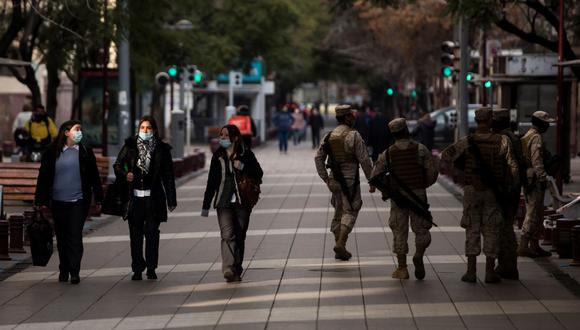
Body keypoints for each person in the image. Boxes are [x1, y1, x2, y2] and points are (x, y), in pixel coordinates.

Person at [440, 108, 518, 283]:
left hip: (471, 190)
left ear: (476, 121)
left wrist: (461, 171)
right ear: (490, 121)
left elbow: (445, 156)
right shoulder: (502, 141)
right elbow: (513, 167)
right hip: (493, 191)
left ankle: (471, 271)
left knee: (472, 228)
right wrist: (508, 186)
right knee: (492, 229)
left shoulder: (467, 141)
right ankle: (490, 272)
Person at [35, 120, 103, 284]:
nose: (80, 132)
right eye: (76, 129)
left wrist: (99, 197)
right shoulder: (52, 152)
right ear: (66, 132)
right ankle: (63, 269)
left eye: (80, 129)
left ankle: (74, 271)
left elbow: (94, 176)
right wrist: (39, 199)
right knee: (62, 237)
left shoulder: (85, 151)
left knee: (74, 236)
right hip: (58, 202)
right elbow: (43, 177)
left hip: (78, 201)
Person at [371, 118, 438, 280]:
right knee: (421, 229)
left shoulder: (387, 154)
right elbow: (433, 173)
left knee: (399, 230)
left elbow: (375, 177)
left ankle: (402, 268)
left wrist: (388, 191)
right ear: (407, 131)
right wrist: (422, 185)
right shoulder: (420, 149)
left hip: (398, 198)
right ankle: (419, 255)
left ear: (393, 134)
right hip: (418, 196)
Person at [114, 116, 177, 281]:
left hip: (153, 199)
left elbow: (168, 176)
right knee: (135, 236)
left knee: (152, 234)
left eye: (148, 128)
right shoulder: (130, 146)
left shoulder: (162, 149)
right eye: (142, 128)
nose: (145, 131)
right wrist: (124, 174)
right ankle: (137, 268)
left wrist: (171, 200)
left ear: (154, 130)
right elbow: (118, 165)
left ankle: (151, 267)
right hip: (134, 199)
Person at [201, 124, 263, 282]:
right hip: (223, 201)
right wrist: (206, 205)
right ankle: (228, 268)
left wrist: (242, 166)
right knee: (227, 235)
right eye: (221, 135)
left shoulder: (245, 153)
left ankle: (236, 267)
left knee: (240, 235)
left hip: (243, 201)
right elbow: (212, 181)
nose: (222, 138)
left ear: (235, 138)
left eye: (225, 136)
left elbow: (258, 173)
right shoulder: (218, 156)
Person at [315, 104, 373, 261]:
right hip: (350, 181)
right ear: (347, 117)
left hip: (334, 180)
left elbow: (318, 158)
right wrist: (372, 180)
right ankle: (341, 242)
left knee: (338, 212)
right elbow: (364, 160)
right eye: (351, 115)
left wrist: (326, 178)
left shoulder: (328, 136)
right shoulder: (354, 136)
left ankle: (340, 248)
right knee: (351, 210)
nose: (354, 117)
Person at [518, 111, 556, 258]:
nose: (548, 126)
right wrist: (542, 178)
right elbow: (537, 160)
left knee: (537, 212)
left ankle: (534, 245)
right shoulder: (536, 137)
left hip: (528, 178)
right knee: (533, 212)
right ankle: (524, 245)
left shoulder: (527, 135)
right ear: (540, 123)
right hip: (534, 179)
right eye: (546, 123)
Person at [491, 109, 523, 279]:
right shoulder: (512, 137)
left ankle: (507, 266)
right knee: (506, 227)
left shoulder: (504, 139)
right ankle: (507, 264)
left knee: (504, 230)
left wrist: (509, 189)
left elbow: (512, 167)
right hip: (511, 190)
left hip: (506, 190)